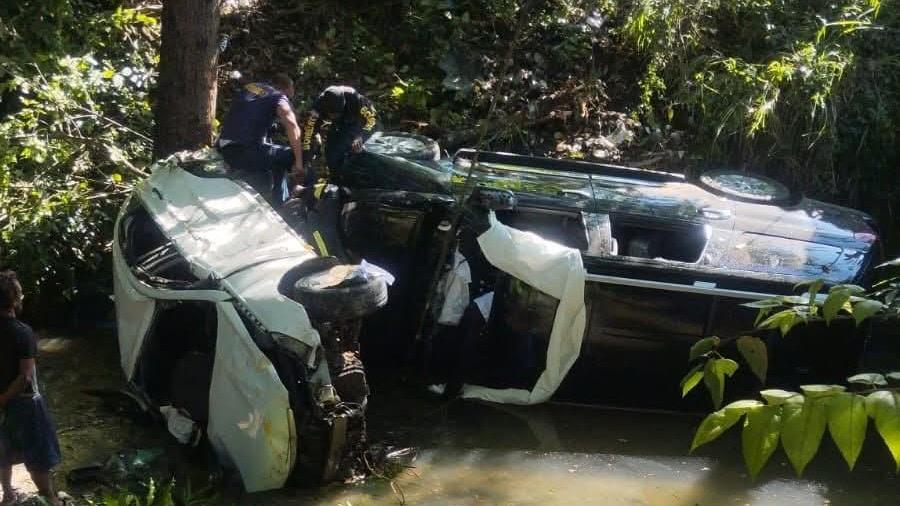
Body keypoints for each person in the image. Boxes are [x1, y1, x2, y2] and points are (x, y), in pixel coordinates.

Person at [0, 270, 61, 506]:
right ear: (14, 298)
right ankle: (50, 498)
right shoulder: (22, 332)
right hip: (23, 404)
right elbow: (25, 377)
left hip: (3, 404)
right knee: (38, 457)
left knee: (3, 450)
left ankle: (7, 494)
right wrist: (3, 400)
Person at [216, 74, 304, 205]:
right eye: (289, 97)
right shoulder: (278, 96)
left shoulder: (251, 88)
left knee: (276, 157)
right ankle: (291, 199)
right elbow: (291, 125)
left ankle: (280, 200)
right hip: (245, 152)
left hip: (226, 148)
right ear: (284, 89)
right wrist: (299, 163)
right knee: (291, 155)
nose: (289, 100)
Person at [302, 85, 379, 176]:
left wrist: (361, 135)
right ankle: (336, 177)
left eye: (337, 113)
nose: (335, 115)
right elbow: (307, 135)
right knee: (331, 156)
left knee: (352, 148)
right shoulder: (317, 107)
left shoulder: (354, 97)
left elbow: (373, 119)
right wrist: (306, 160)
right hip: (334, 125)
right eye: (332, 113)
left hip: (352, 121)